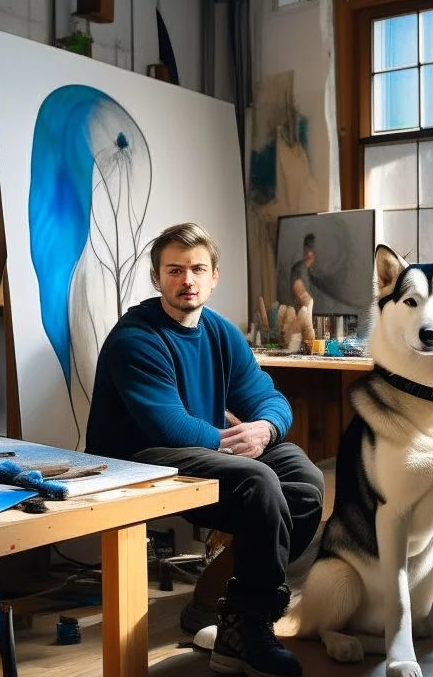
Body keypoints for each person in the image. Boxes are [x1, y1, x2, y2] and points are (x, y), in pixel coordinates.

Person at [86, 222, 324, 677]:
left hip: (202, 446)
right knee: (258, 481)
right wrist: (233, 443)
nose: (186, 280)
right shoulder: (135, 338)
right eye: (174, 270)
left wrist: (265, 431)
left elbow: (269, 399)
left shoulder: (219, 332)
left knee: (305, 480)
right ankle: (251, 627)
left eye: (197, 269)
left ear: (214, 276)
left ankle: (236, 616)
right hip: (137, 456)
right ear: (157, 278)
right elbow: (168, 425)